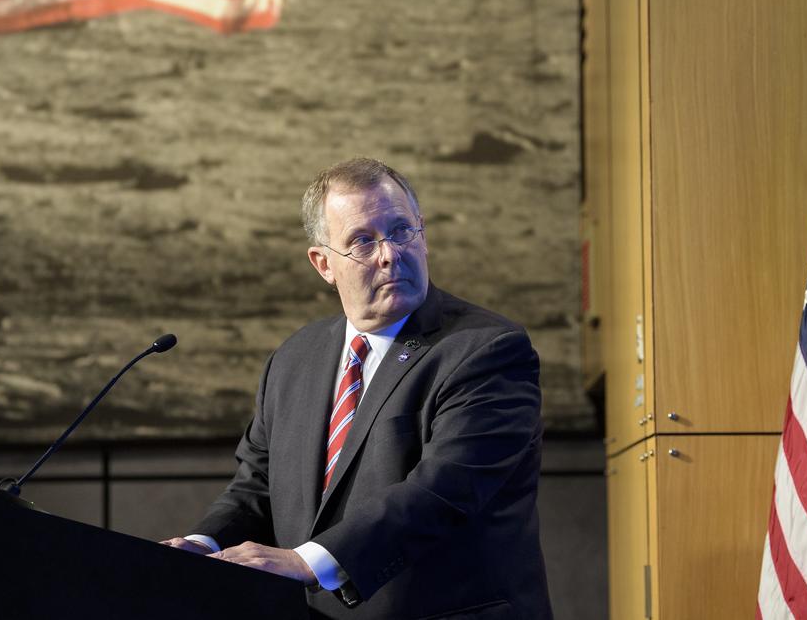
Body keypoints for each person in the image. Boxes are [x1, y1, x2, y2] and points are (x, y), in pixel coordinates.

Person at [163, 157, 552, 619]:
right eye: (363, 241)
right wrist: (203, 545)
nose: (389, 254)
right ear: (323, 264)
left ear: (423, 234)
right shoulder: (293, 360)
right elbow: (258, 485)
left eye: (401, 231)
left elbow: (443, 490)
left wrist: (306, 562)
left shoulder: (487, 350)